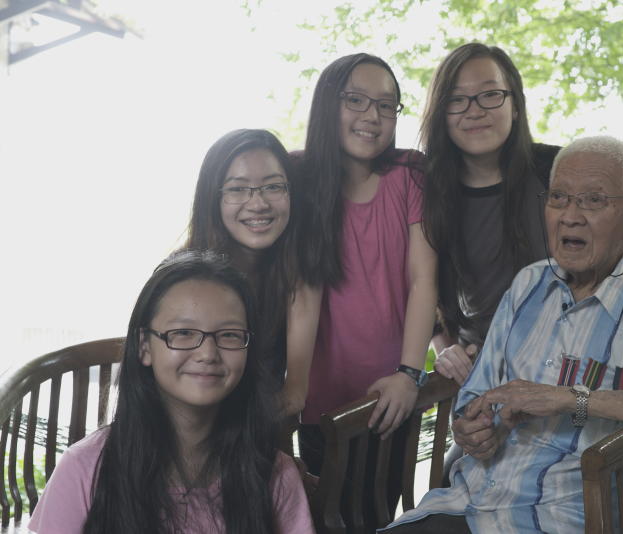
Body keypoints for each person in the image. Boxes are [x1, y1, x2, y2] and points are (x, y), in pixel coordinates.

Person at [382, 136, 623, 534]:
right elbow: (478, 393)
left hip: (563, 514)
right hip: (472, 499)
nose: (570, 216)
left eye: (593, 200)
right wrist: (474, 430)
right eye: (558, 197)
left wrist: (571, 399)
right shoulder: (528, 284)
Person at [28, 250, 314, 533]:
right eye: (183, 333)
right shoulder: (85, 468)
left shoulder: (275, 475)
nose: (207, 353)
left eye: (229, 334)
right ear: (144, 347)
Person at [287, 53, 437, 475]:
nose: (372, 115)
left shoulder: (410, 173)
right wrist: (294, 387)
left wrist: (410, 373)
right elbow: (303, 289)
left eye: (386, 105)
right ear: (328, 105)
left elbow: (423, 279)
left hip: (393, 397)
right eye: (356, 100)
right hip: (318, 404)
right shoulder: (296, 175)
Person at [422, 42, 559, 476]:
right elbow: (418, 288)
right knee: (447, 491)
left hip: (566, 378)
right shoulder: (428, 193)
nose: (474, 110)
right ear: (441, 114)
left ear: (514, 104)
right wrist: (444, 350)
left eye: (489, 94)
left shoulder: (557, 171)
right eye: (457, 99)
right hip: (483, 390)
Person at [185, 128, 296, 381]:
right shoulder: (181, 278)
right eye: (237, 189)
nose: (258, 204)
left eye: (273, 186)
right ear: (213, 199)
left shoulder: (294, 275)